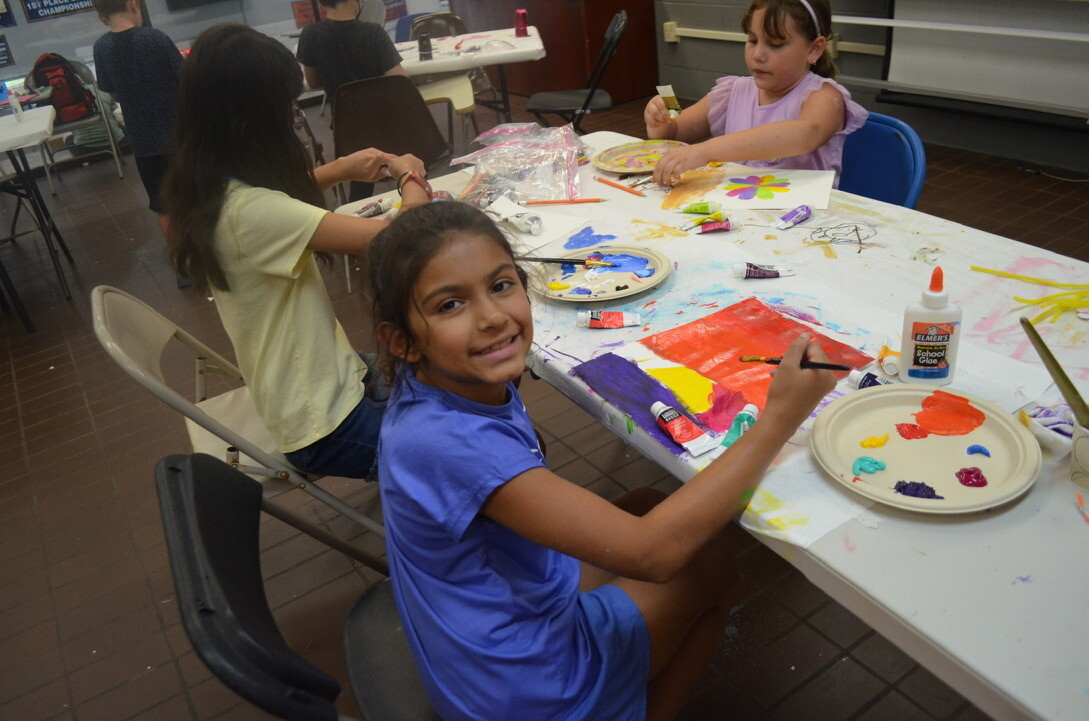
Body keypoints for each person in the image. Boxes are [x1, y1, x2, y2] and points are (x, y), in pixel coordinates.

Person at [368, 201, 837, 721]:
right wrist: (780, 417)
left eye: (500, 285)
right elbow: (653, 553)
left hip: (481, 637)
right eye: (450, 305)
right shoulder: (448, 442)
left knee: (645, 502)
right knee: (713, 565)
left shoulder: (436, 387)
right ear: (402, 341)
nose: (492, 317)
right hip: (523, 690)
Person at [162, 23, 431, 479]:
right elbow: (406, 237)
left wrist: (339, 168)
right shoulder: (251, 213)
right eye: (287, 111)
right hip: (323, 425)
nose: (294, 121)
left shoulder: (207, 188)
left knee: (442, 378)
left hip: (329, 377)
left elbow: (274, 201)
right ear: (251, 124)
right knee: (466, 449)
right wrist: (410, 178)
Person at [646, 0, 867, 187]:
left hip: (804, 218)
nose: (758, 55)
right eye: (752, 40)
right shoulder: (732, 92)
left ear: (814, 49)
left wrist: (706, 150)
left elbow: (805, 133)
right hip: (738, 213)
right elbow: (674, 134)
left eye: (776, 44)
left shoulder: (825, 96)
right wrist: (660, 122)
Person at [91, 0, 182, 215]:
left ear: (102, 18)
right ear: (133, 4)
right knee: (195, 197)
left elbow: (112, 92)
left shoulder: (101, 48)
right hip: (178, 135)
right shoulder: (156, 38)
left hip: (142, 139)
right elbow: (184, 78)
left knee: (162, 205)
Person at [296, 0, 407, 110]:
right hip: (381, 115)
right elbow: (400, 81)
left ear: (321, 3)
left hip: (343, 119)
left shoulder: (310, 34)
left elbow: (313, 82)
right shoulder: (374, 32)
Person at [64, 87, 126, 158]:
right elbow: (115, 115)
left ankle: (80, 159)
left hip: (85, 150)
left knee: (66, 136)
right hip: (117, 144)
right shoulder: (103, 90)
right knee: (121, 126)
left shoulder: (66, 96)